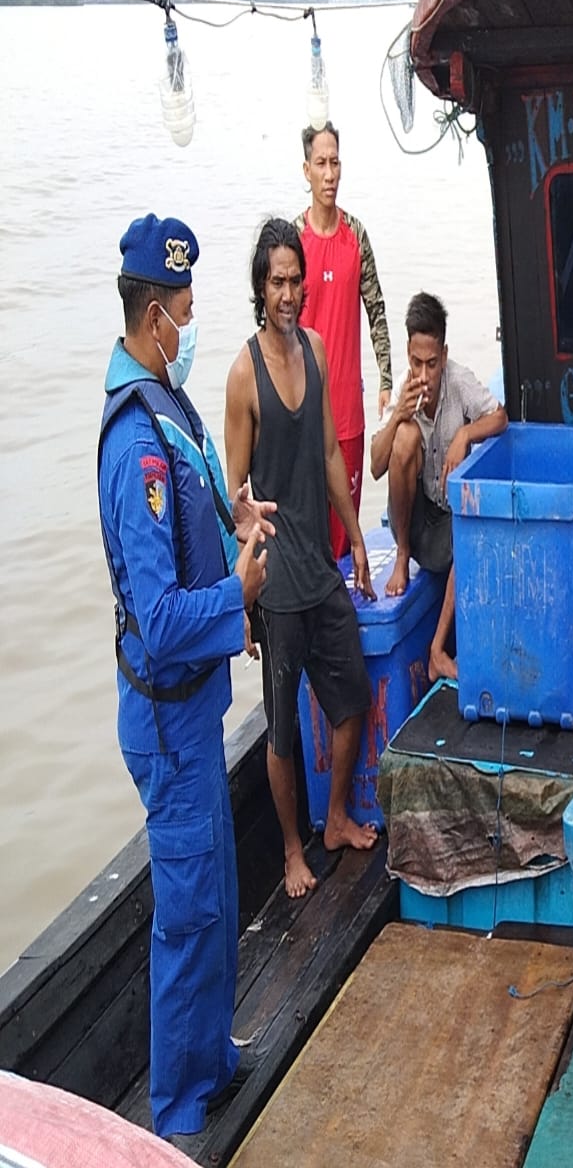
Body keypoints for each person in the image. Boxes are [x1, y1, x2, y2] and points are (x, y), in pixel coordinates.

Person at [98, 214, 273, 1139]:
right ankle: (175, 1115)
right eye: (188, 309)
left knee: (218, 900)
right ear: (155, 314)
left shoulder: (169, 403)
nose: (194, 323)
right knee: (186, 913)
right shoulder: (136, 448)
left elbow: (192, 516)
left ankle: (212, 1060)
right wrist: (236, 595)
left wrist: (235, 514)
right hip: (168, 725)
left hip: (197, 712)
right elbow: (161, 620)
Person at [225, 218, 379, 901]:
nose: (288, 294)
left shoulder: (315, 349)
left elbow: (329, 454)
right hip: (277, 581)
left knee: (354, 700)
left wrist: (357, 539)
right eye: (277, 283)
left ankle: (337, 816)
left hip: (321, 563)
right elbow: (235, 497)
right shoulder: (243, 375)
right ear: (261, 288)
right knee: (282, 730)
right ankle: (292, 849)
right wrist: (242, 598)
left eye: (295, 281)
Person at [370, 292, 508, 682]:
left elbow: (500, 417)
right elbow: (376, 466)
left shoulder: (459, 381)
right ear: (408, 355)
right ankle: (402, 556)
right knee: (404, 438)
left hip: (448, 520)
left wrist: (465, 433)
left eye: (432, 364)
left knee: (473, 533)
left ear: (443, 356)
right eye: (417, 363)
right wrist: (398, 414)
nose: (424, 375)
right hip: (413, 521)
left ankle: (437, 651)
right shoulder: (405, 389)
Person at [294, 122, 392, 561]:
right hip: (302, 410)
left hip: (348, 412)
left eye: (335, 163)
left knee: (345, 530)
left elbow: (376, 309)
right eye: (321, 163)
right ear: (306, 170)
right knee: (307, 528)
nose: (330, 174)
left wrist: (386, 378)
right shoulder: (293, 240)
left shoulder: (356, 235)